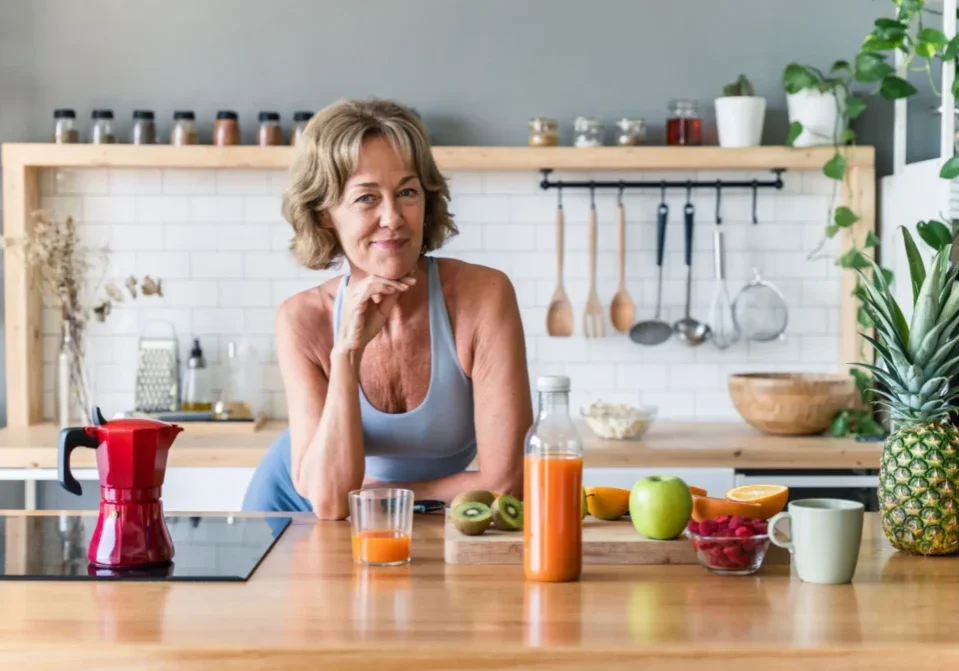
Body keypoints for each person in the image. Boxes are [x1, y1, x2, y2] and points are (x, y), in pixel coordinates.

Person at [242, 99, 532, 519]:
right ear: (326, 213)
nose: (393, 218)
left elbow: (508, 482)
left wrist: (383, 494)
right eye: (366, 198)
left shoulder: (483, 296)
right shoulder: (302, 319)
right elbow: (326, 500)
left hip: (394, 511)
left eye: (407, 192)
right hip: (292, 508)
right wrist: (347, 351)